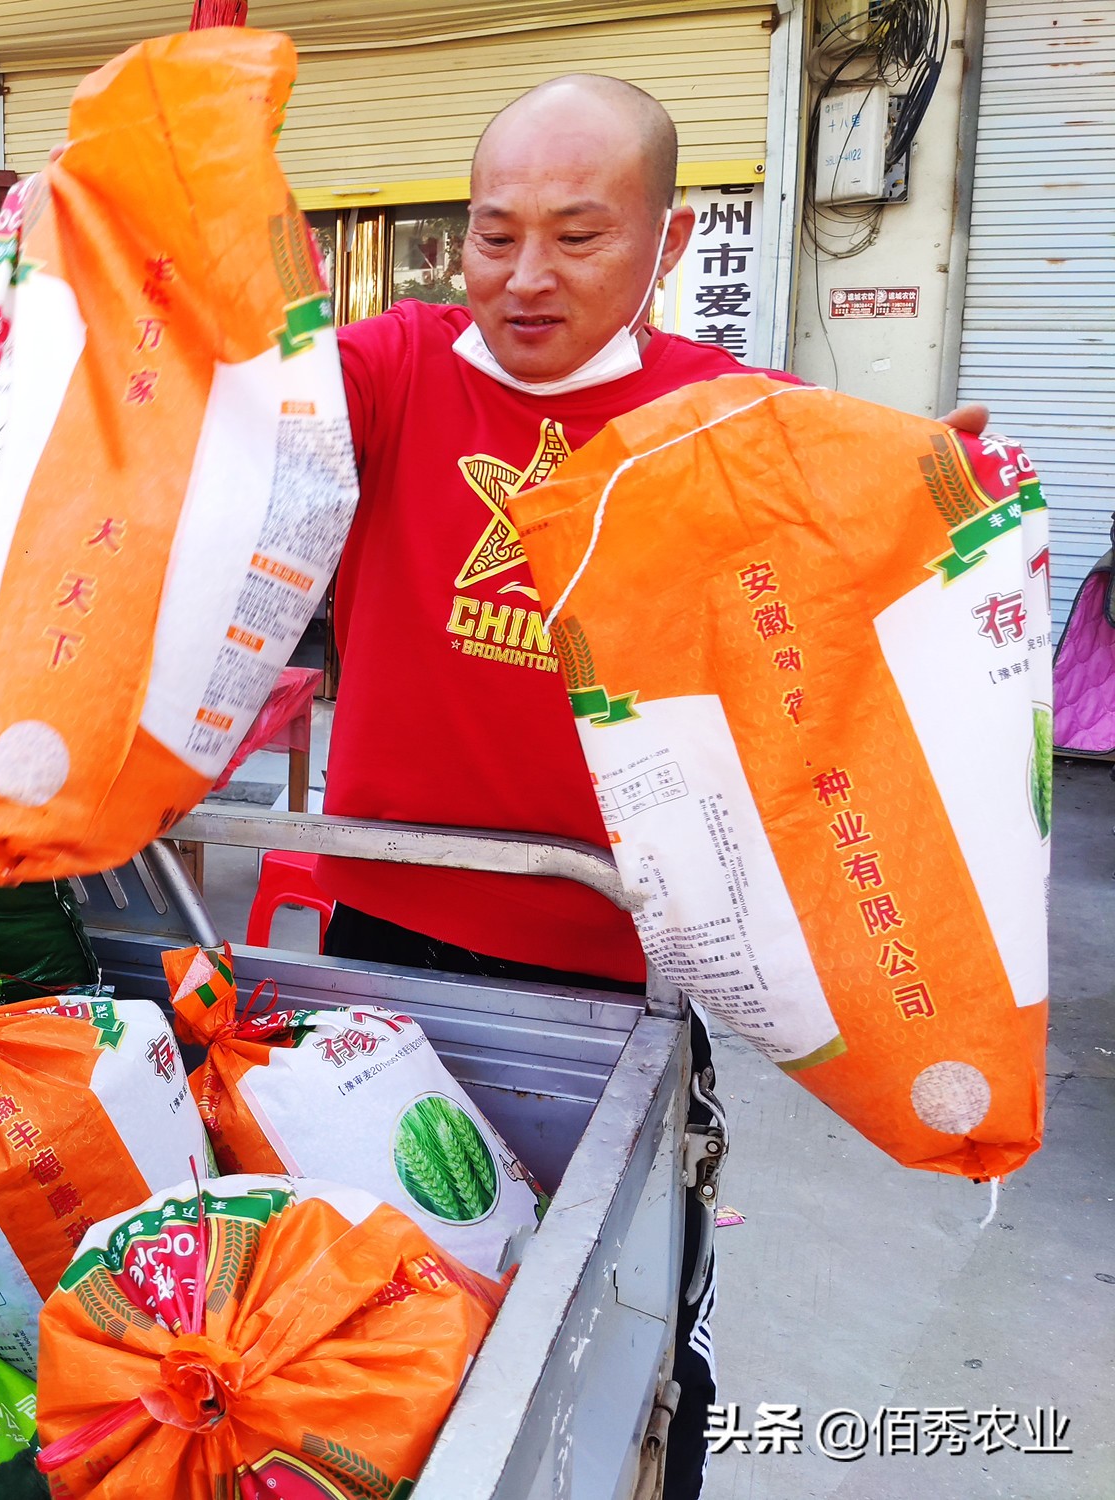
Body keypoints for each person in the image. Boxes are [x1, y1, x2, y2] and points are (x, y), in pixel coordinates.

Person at [321, 74, 986, 1498]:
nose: (525, 274)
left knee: (618, 1309)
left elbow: (888, 561)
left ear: (667, 242)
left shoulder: (728, 416)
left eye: (578, 235)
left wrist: (941, 506)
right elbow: (236, 414)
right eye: (494, 233)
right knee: (369, 1290)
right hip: (380, 940)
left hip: (623, 961)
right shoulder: (391, 370)